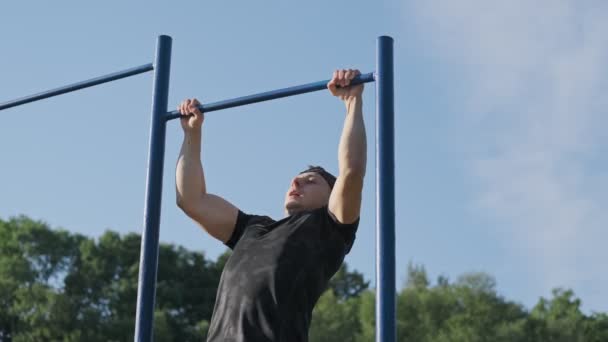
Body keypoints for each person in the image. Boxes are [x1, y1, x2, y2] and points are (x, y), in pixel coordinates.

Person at [175, 69, 367, 342]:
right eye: (295, 180)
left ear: (333, 195)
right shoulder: (252, 228)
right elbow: (191, 200)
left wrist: (352, 103)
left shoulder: (330, 228)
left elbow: (352, 171)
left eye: (310, 181)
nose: (296, 184)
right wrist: (191, 135)